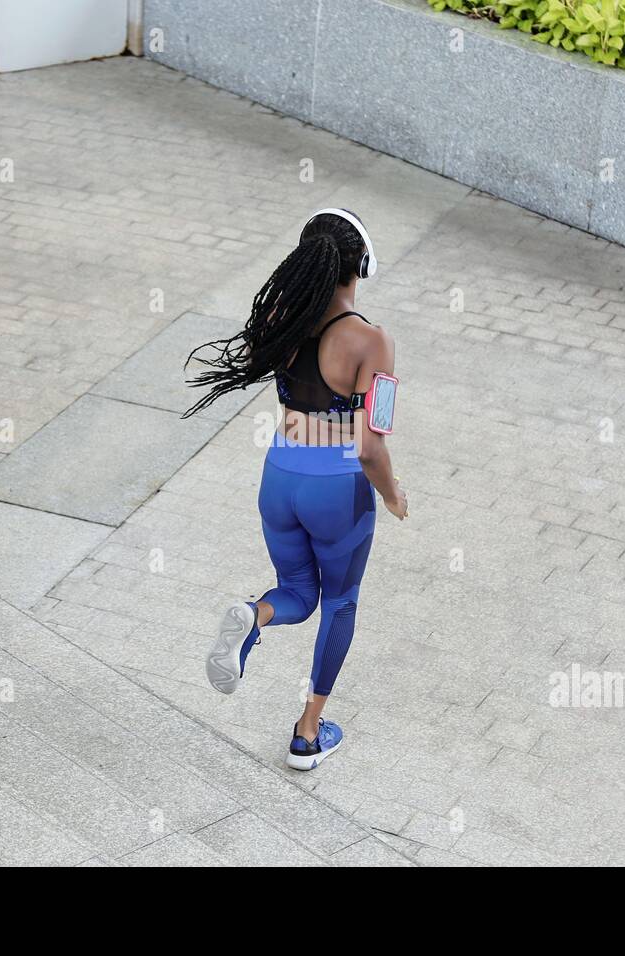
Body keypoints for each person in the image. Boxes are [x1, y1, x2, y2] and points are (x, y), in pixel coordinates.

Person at [183, 209, 407, 770]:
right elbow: (371, 448)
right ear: (361, 268)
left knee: (298, 593)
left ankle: (254, 615)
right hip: (336, 489)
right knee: (339, 601)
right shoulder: (372, 341)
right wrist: (391, 494)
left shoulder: (281, 318)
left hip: (279, 475)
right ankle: (308, 733)